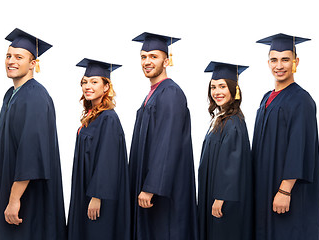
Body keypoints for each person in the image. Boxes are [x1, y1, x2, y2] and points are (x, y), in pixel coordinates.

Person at [0, 28, 66, 240]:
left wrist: (14, 200)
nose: (11, 61)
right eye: (8, 56)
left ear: (33, 64)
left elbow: (30, 152)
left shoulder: (34, 96)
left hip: (27, 198)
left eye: (19, 57)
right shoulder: (12, 94)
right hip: (12, 189)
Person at [252, 33, 319, 240]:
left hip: (289, 191)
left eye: (285, 59)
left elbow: (299, 146)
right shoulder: (266, 98)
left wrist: (285, 190)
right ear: (268, 63)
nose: (279, 65)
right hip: (265, 186)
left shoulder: (301, 99)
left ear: (296, 62)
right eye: (274, 60)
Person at [129, 32, 198, 240]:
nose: (147, 62)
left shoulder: (170, 92)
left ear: (166, 60)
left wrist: (151, 187)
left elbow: (167, 143)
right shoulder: (152, 94)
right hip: (152, 187)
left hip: (165, 191)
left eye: (153, 56)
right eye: (143, 57)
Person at [67, 58, 130, 240]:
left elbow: (107, 160)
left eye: (94, 82)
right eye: (85, 82)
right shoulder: (92, 116)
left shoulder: (108, 118)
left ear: (105, 87)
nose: (88, 86)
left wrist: (96, 196)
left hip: (100, 196)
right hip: (86, 190)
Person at [198, 61, 253, 240]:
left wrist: (221, 198)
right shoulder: (220, 119)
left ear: (234, 89)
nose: (217, 92)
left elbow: (232, 165)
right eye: (213, 87)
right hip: (214, 194)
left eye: (222, 86)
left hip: (225, 200)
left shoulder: (233, 123)